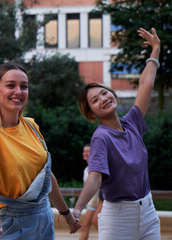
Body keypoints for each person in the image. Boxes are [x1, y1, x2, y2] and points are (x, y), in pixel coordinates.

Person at [72, 27, 161, 240]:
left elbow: (146, 84)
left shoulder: (132, 122)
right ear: (91, 114)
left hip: (148, 211)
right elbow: (95, 177)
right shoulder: (101, 136)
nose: (103, 98)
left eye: (104, 92)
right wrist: (77, 209)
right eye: (95, 100)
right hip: (118, 218)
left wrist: (155, 49)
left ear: (112, 94)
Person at [0, 62, 81, 239]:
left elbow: (46, 176)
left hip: (43, 219)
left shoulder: (31, 126)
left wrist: (66, 214)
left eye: (24, 87)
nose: (18, 91)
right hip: (9, 224)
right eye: (11, 85)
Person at [79, 144, 101, 240]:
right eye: (84, 151)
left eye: (88, 151)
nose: (85, 153)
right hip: (91, 203)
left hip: (101, 200)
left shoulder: (98, 167)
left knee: (96, 222)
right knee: (85, 225)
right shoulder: (85, 170)